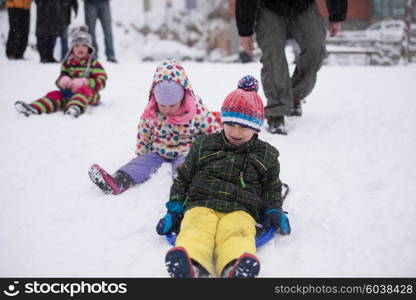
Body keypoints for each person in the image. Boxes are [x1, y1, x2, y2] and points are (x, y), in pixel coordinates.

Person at [156, 75, 291, 278]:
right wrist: (175, 209)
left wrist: (274, 210)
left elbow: (272, 186)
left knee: (238, 233)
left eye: (244, 126)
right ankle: (191, 265)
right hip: (202, 203)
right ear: (223, 121)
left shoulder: (266, 154)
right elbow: (183, 178)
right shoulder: (204, 144)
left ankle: (233, 267)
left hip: (241, 209)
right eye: (230, 124)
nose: (236, 132)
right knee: (195, 228)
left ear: (255, 127)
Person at [88, 58, 221, 195]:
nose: (167, 110)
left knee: (185, 168)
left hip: (185, 150)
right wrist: (142, 154)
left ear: (182, 98)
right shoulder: (151, 112)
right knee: (139, 164)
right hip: (159, 151)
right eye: (162, 105)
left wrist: (214, 152)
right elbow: (144, 133)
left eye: (172, 105)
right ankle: (118, 181)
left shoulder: (195, 110)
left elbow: (212, 129)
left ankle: (186, 188)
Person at [236, 0, 347, 134]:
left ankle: (294, 95)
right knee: (273, 53)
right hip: (268, 5)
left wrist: (337, 15)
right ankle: (276, 110)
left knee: (316, 48)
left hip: (303, 4)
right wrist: (245, 31)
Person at [14, 26, 107, 118]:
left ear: (89, 48)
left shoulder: (93, 63)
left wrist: (85, 82)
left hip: (89, 96)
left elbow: (102, 81)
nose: (80, 48)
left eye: (84, 45)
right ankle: (35, 107)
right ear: (72, 48)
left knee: (83, 90)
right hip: (68, 94)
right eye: (77, 45)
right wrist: (62, 81)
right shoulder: (67, 63)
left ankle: (75, 108)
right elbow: (60, 78)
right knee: (54, 95)